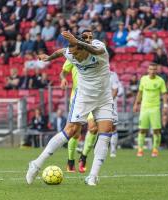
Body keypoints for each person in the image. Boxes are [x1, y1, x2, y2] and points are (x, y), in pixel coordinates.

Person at [26, 30, 115, 186]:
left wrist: (77, 41)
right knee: (71, 130)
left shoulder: (98, 49)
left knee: (106, 131)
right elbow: (61, 52)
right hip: (83, 97)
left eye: (76, 54)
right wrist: (48, 58)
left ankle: (92, 176)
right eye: (71, 53)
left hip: (104, 97)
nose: (73, 57)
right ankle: (36, 163)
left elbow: (97, 50)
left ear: (83, 49)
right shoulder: (71, 52)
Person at [133, 63, 168, 157]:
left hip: (155, 108)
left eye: (154, 69)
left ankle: (155, 149)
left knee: (156, 130)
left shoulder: (160, 81)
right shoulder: (143, 79)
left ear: (156, 70)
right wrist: (136, 104)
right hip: (144, 108)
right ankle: (140, 149)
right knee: (142, 130)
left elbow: (164, 93)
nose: (152, 71)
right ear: (148, 70)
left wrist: (165, 106)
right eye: (151, 69)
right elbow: (140, 92)